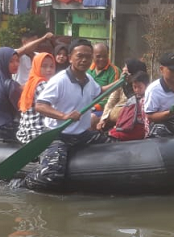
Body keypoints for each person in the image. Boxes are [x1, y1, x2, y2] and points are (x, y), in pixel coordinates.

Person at [22, 39, 114, 191]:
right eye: (80, 56)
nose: (84, 60)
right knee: (51, 176)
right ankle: (23, 183)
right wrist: (63, 116)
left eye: (88, 56)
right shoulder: (60, 80)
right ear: (71, 57)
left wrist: (121, 82)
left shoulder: (89, 80)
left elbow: (100, 91)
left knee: (113, 147)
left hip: (82, 134)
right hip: (57, 135)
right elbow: (40, 105)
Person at [96, 58, 147, 131]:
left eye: (126, 68)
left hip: (128, 119)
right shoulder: (121, 84)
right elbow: (111, 101)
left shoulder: (142, 87)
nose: (123, 69)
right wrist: (103, 119)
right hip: (112, 116)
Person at [16, 52, 55, 143]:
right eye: (44, 66)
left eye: (51, 66)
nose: (49, 70)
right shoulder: (43, 85)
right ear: (36, 66)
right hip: (38, 131)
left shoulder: (31, 81)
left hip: (25, 130)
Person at [107, 71, 150, 142]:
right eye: (134, 87)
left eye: (140, 87)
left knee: (113, 135)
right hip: (130, 128)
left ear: (146, 86)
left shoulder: (147, 99)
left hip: (140, 129)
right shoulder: (133, 99)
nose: (136, 90)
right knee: (111, 132)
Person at [87, 42, 120, 126]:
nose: (102, 59)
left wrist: (95, 107)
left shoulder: (114, 71)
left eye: (104, 56)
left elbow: (113, 96)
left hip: (104, 109)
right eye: (98, 56)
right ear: (92, 56)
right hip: (86, 107)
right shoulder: (87, 70)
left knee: (90, 119)